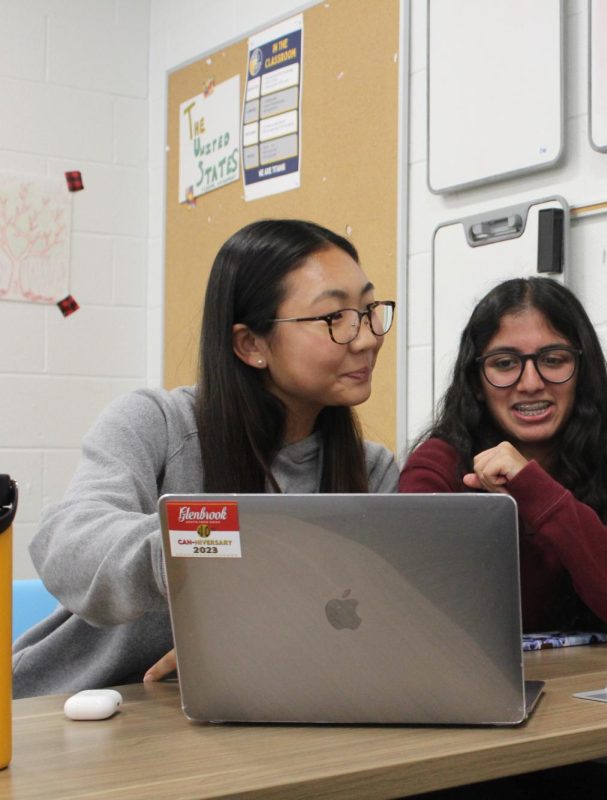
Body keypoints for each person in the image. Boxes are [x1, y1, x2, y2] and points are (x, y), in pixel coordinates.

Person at [13, 219, 400, 699]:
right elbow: (66, 546)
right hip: (67, 710)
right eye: (334, 318)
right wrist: (207, 543)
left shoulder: (374, 471)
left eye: (368, 310)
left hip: (235, 716)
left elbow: (377, 623)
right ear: (250, 345)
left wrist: (260, 646)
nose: (365, 338)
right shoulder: (156, 423)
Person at [400, 276, 607, 800]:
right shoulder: (440, 465)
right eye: (505, 363)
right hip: (453, 738)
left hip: (568, 734)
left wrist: (534, 488)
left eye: (552, 359)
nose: (530, 382)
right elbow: (409, 622)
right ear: (477, 379)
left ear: (582, 371)